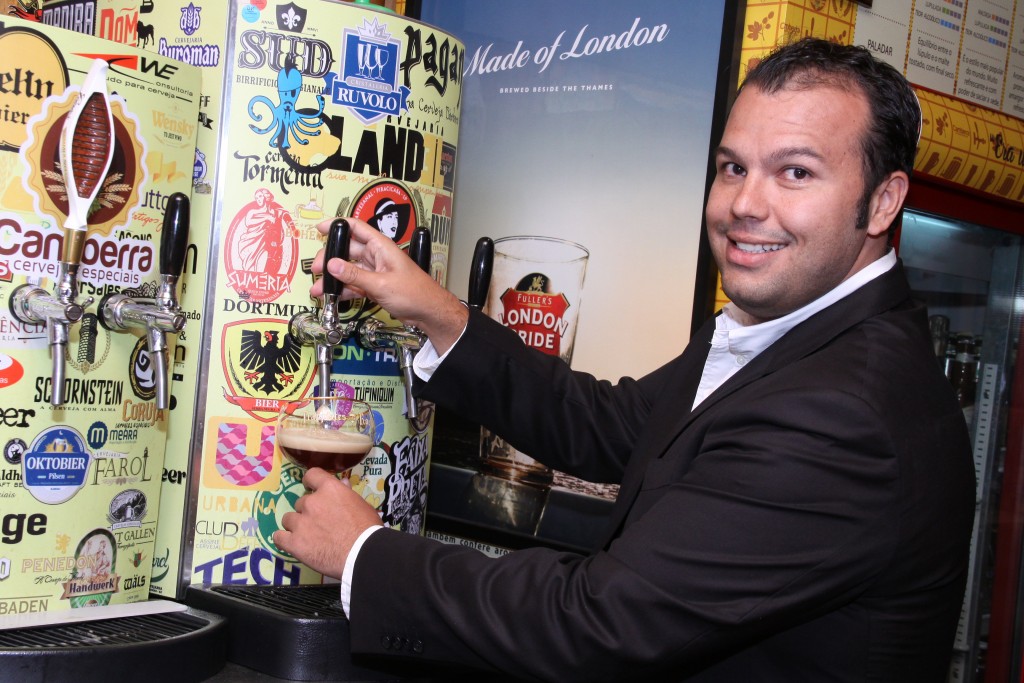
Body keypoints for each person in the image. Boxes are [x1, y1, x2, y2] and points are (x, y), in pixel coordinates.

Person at [274, 38, 975, 682]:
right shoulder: (779, 328)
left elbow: (599, 621)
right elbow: (607, 423)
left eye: (795, 172)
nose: (744, 205)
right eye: (733, 167)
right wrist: (436, 309)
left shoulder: (844, 411)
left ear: (883, 200)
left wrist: (366, 553)